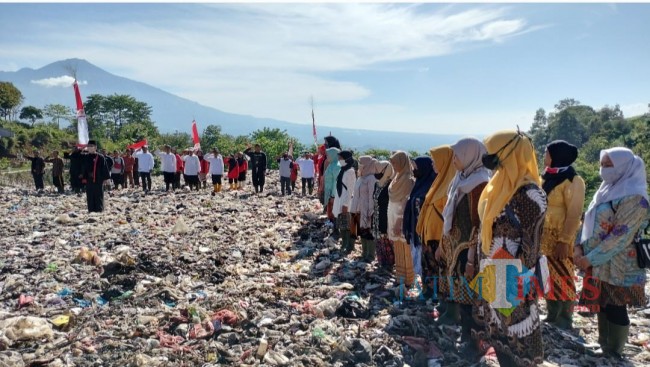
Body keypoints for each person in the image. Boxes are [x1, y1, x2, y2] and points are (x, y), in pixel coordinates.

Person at [472, 130, 547, 367]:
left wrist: (519, 283)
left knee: (517, 331)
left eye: (493, 152)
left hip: (513, 273)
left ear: (509, 153)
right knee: (497, 327)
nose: (489, 157)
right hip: (493, 268)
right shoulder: (497, 186)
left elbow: (532, 242)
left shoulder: (530, 194)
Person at [575, 147, 649, 358]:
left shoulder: (636, 197)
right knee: (602, 302)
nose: (604, 170)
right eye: (603, 164)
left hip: (621, 263)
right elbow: (589, 219)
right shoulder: (605, 189)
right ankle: (604, 344)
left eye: (609, 165)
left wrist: (588, 258)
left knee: (617, 305)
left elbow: (620, 237)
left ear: (625, 167)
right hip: (598, 261)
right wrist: (579, 246)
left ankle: (615, 350)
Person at [438, 138, 490, 357]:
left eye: (458, 156)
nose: (455, 160)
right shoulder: (460, 178)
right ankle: (466, 335)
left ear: (470, 156)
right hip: (455, 247)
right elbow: (448, 216)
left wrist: (470, 259)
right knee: (461, 295)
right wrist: (443, 243)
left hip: (470, 251)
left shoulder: (480, 184)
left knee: (471, 299)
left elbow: (478, 224)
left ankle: (474, 342)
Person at [539, 140, 585, 330]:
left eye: (547, 153)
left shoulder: (573, 181)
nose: (544, 157)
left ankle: (564, 318)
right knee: (548, 275)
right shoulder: (546, 177)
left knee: (564, 275)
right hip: (543, 237)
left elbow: (574, 213)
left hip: (560, 238)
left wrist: (564, 241)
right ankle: (552, 313)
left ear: (557, 156)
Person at [417, 146, 457, 311]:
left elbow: (449, 216)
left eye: (435, 160)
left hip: (439, 237)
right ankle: (427, 293)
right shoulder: (438, 181)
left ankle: (438, 299)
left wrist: (442, 241)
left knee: (438, 269)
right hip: (429, 235)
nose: (433, 163)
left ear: (444, 161)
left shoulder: (450, 184)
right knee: (428, 266)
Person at [403, 156, 436, 292]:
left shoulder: (431, 186)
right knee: (422, 263)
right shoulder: (419, 184)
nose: (414, 170)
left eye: (416, 167)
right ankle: (424, 290)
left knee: (429, 264)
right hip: (416, 230)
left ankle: (430, 293)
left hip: (427, 234)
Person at [388, 151, 415, 287]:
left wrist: (399, 222)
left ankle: (409, 280)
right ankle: (400, 277)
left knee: (405, 247)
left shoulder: (408, 180)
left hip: (402, 217)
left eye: (395, 162)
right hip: (393, 215)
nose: (393, 165)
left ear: (403, 162)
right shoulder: (396, 178)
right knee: (397, 246)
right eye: (392, 163)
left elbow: (405, 203)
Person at [351, 156, 378, 262]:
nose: (359, 165)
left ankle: (370, 255)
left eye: (361, 163)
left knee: (369, 232)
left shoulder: (371, 178)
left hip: (367, 209)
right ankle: (364, 252)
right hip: (359, 209)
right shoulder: (360, 178)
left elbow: (372, 196)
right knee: (362, 231)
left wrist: (371, 211)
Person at [372, 160, 395, 269]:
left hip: (385, 218)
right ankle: (382, 262)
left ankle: (389, 264)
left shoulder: (390, 186)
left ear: (386, 171)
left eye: (378, 170)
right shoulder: (377, 185)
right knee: (379, 241)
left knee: (386, 242)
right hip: (376, 217)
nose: (376, 172)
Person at [333, 150, 357, 254]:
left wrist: (345, 204)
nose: (339, 160)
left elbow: (351, 189)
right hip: (340, 198)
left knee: (347, 225)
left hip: (345, 201)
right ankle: (344, 243)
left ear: (346, 159)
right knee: (342, 224)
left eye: (340, 158)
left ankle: (349, 245)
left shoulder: (350, 171)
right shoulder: (342, 170)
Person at [81, 141, 111, 212]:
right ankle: (91, 210)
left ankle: (99, 210)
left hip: (98, 179)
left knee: (98, 195)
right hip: (89, 180)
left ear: (95, 147)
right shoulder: (86, 157)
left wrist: (106, 179)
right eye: (89, 146)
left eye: (91, 146)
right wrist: (84, 177)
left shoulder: (100, 157)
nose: (90, 147)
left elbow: (104, 168)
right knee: (90, 195)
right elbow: (84, 168)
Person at [324, 147, 342, 223]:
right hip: (329, 192)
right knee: (330, 210)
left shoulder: (337, 166)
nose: (327, 157)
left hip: (333, 194)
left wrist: (333, 196)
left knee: (333, 211)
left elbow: (336, 182)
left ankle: (335, 228)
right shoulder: (331, 165)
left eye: (328, 155)